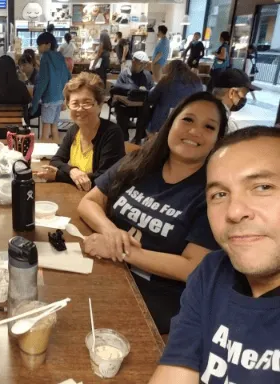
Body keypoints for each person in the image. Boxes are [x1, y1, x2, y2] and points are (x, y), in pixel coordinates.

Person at [78, 92, 228, 334]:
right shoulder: (139, 161)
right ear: (172, 123)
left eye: (208, 127)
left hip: (154, 300)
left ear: (217, 140)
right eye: (187, 120)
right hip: (105, 271)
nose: (194, 131)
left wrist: (122, 250)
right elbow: (89, 202)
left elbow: (192, 268)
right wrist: (112, 232)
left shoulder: (213, 194)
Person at [149, 126, 280, 383]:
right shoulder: (212, 272)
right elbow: (176, 371)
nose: (234, 211)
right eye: (219, 194)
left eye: (263, 187)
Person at [37, 72, 125, 191]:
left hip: (101, 200)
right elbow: (56, 160)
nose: (80, 109)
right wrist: (72, 170)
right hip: (77, 194)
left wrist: (59, 175)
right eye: (75, 103)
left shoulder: (112, 133)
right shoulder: (74, 130)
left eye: (87, 103)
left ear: (99, 105)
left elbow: (104, 179)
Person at [31, 32, 71, 142]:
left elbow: (43, 82)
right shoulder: (60, 57)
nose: (38, 47)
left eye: (40, 44)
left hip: (49, 99)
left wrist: (34, 104)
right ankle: (56, 152)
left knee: (45, 130)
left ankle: (42, 156)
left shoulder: (45, 57)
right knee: (54, 128)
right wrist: (64, 99)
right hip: (59, 98)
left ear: (48, 45)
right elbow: (68, 76)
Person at [147, 60, 203, 134]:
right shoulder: (197, 81)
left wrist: (154, 88)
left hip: (163, 120)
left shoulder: (167, 80)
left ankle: (145, 135)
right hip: (189, 117)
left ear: (170, 69)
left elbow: (151, 97)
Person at [112, 51, 154, 141]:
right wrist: (130, 88)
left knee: (146, 110)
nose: (143, 66)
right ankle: (123, 138)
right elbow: (117, 87)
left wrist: (145, 91)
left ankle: (138, 137)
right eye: (141, 64)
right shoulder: (125, 74)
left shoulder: (146, 75)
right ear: (133, 61)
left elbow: (152, 89)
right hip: (126, 106)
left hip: (140, 107)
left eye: (145, 64)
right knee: (120, 109)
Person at [212, 68, 261, 134]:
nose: (245, 98)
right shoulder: (228, 127)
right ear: (232, 93)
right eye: (244, 94)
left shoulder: (201, 109)